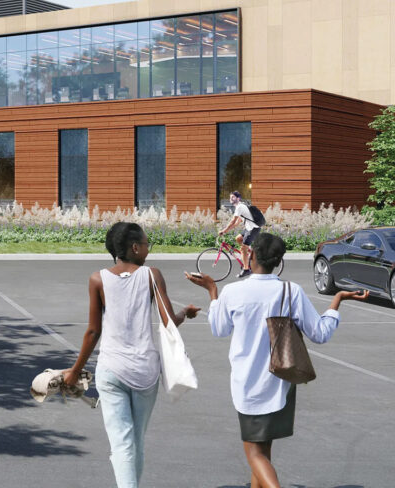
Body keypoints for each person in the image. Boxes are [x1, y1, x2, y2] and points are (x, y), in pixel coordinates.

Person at [185, 233, 368, 488]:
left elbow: (219, 329)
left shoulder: (233, 291)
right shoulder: (291, 291)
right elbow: (320, 334)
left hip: (247, 383)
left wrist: (212, 291)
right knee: (263, 450)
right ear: (279, 261)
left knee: (255, 455)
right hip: (280, 381)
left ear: (251, 255)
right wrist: (336, 302)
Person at [64, 222, 200, 488]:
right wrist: (186, 313)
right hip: (144, 372)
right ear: (135, 247)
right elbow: (169, 322)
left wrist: (75, 371)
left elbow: (93, 331)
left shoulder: (97, 279)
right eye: (148, 244)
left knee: (122, 443)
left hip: (111, 370)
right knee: (135, 442)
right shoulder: (152, 275)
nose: (149, 249)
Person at [218, 190, 259, 278]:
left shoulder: (240, 207)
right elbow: (236, 223)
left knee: (243, 248)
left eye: (233, 197)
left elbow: (233, 221)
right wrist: (227, 231)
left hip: (253, 228)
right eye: (230, 197)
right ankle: (249, 253)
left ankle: (246, 270)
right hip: (249, 228)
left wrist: (224, 230)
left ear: (238, 198)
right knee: (238, 238)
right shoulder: (241, 207)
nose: (231, 198)